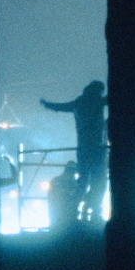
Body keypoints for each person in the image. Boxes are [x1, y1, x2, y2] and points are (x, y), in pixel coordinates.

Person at [42, 81, 107, 221]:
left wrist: (47, 104)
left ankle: (74, 209)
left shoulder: (77, 103)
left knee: (83, 181)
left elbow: (61, 107)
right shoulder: (99, 101)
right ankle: (93, 209)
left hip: (82, 149)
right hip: (98, 149)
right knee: (99, 182)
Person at [44, 160, 82, 236]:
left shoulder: (56, 180)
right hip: (63, 212)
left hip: (59, 211)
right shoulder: (73, 183)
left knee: (57, 230)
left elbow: (50, 196)